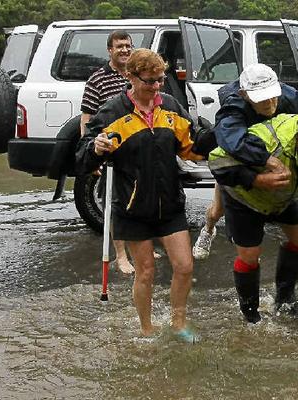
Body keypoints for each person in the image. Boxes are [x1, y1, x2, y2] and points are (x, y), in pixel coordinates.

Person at [76, 49, 202, 341]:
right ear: (130, 77)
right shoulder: (111, 113)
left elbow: (190, 146)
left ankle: (178, 322)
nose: (156, 87)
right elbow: (81, 157)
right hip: (132, 209)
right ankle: (146, 328)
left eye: (160, 80)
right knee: (145, 271)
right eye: (149, 81)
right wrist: (95, 149)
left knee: (184, 266)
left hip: (169, 203)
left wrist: (212, 144)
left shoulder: (169, 106)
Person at [208, 107, 298, 323]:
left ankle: (285, 299)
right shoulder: (270, 140)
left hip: (283, 198)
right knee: (250, 255)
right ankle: (251, 314)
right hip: (245, 198)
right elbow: (216, 162)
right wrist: (256, 180)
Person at [191, 63, 298, 260]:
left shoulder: (289, 96)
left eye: (273, 95)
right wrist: (266, 160)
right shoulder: (234, 107)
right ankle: (208, 229)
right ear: (245, 95)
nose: (270, 102)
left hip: (277, 166)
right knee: (217, 211)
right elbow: (232, 144)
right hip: (238, 165)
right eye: (262, 99)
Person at [79, 30, 142, 274]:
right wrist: (90, 153)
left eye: (128, 45)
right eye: (119, 46)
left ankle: (141, 248)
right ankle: (121, 256)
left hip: (139, 148)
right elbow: (86, 119)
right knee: (115, 203)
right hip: (112, 151)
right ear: (109, 50)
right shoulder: (98, 79)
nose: (125, 50)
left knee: (140, 200)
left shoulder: (138, 74)